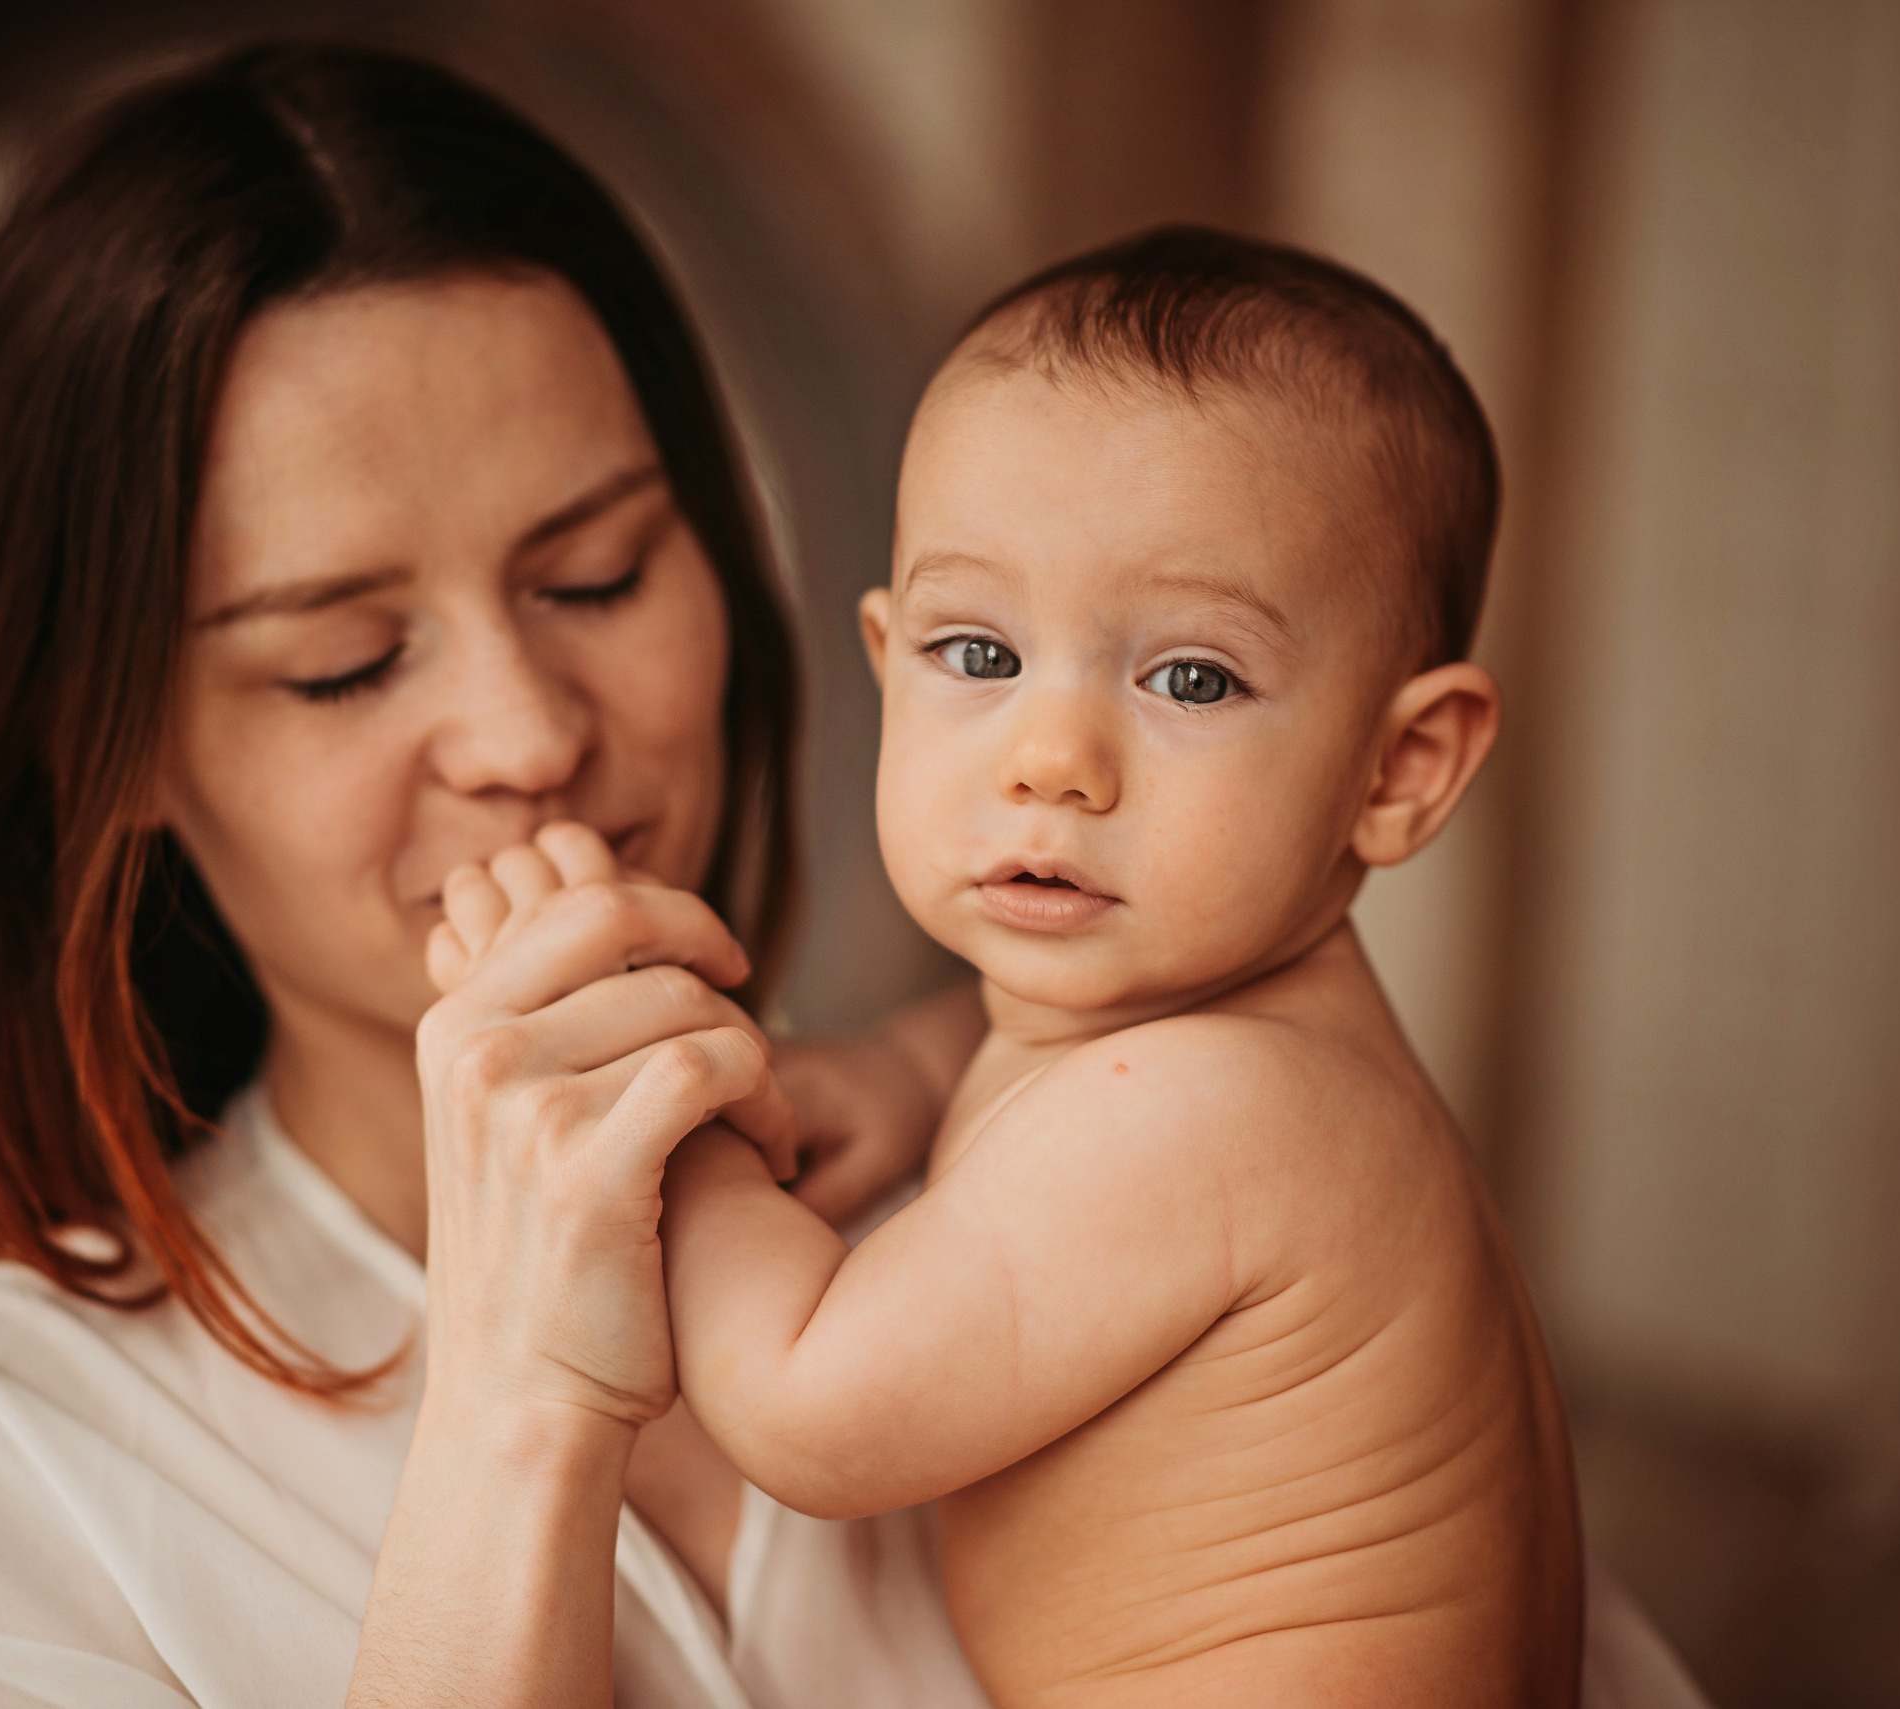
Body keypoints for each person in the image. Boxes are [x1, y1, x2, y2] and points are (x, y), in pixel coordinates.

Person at [0, 42, 990, 1709]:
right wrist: (521, 1401)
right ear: (111, 746)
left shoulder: (1024, 1205)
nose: (526, 735)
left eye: (598, 575)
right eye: (342, 662)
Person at [431, 228, 1591, 1707]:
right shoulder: (1252, 1055)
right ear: (884, 653)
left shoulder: (1216, 1113)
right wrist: (911, 1076)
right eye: (976, 654)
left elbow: (808, 1406)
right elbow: (1056, 1059)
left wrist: (665, 1094)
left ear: (1399, 766)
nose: (1050, 759)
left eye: (1190, 678)